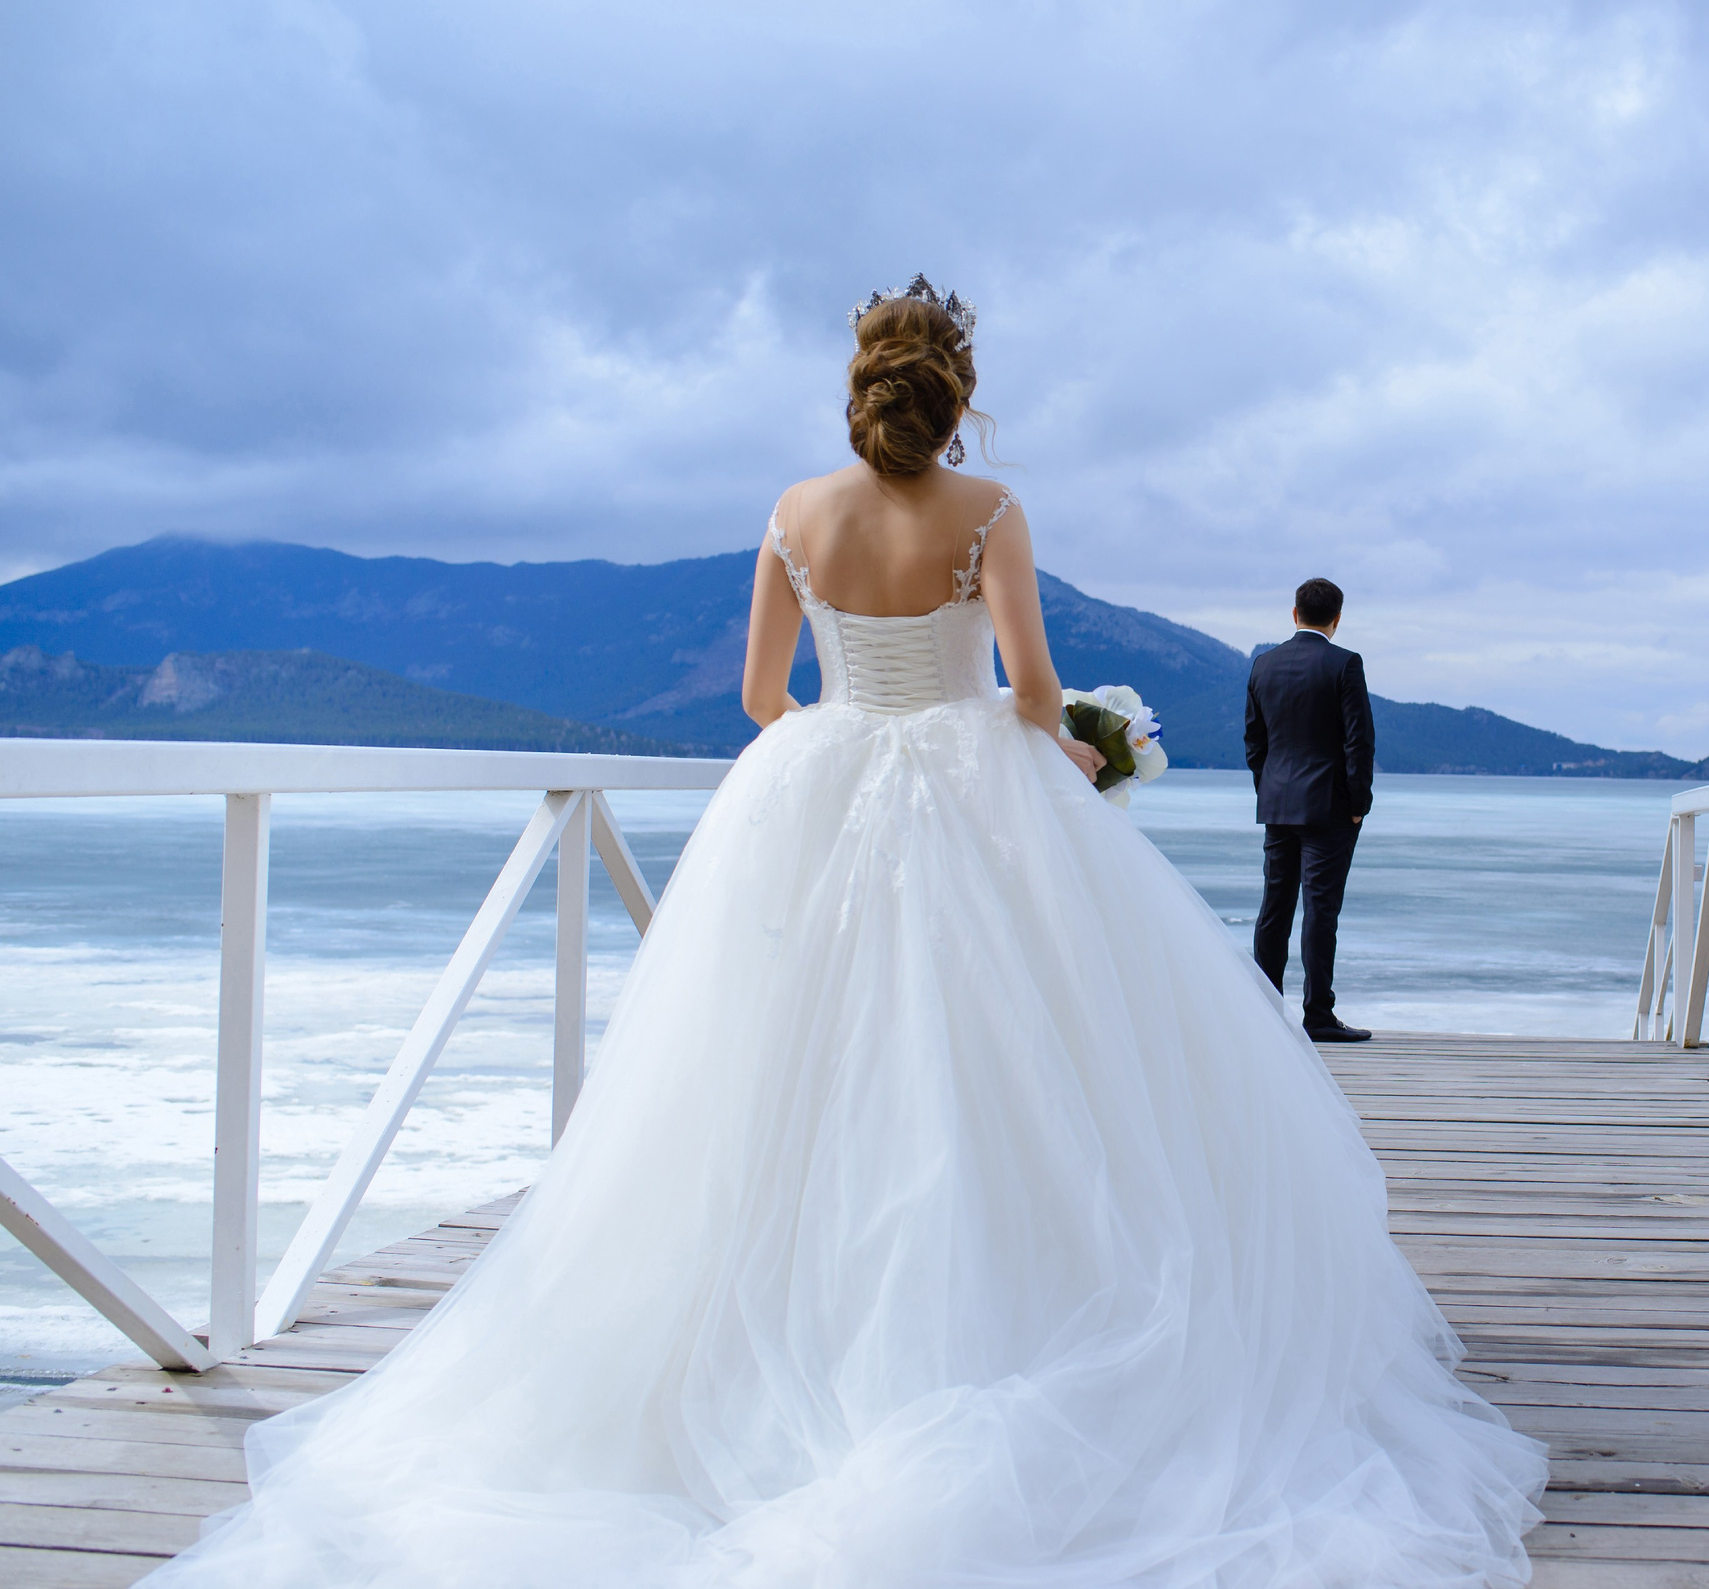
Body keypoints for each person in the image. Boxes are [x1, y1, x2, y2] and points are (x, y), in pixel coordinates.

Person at [140, 276, 1543, 1589]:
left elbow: (763, 695)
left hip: (815, 795)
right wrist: (1076, 743)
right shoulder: (992, 508)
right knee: (1010, 1076)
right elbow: (1037, 693)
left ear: (862, 390)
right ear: (959, 395)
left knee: (777, 1088)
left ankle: (758, 1375)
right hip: (975, 799)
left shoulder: (792, 513)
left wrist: (849, 752)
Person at [1244, 580, 1376, 1043]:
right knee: (1321, 911)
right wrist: (1359, 803)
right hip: (1330, 808)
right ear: (1336, 619)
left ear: (1294, 613)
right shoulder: (1345, 663)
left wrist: (1270, 789)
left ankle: (1263, 1008)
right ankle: (1318, 1016)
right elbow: (1358, 740)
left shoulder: (1264, 664)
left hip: (1278, 803)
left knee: (1274, 908)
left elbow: (1254, 741)